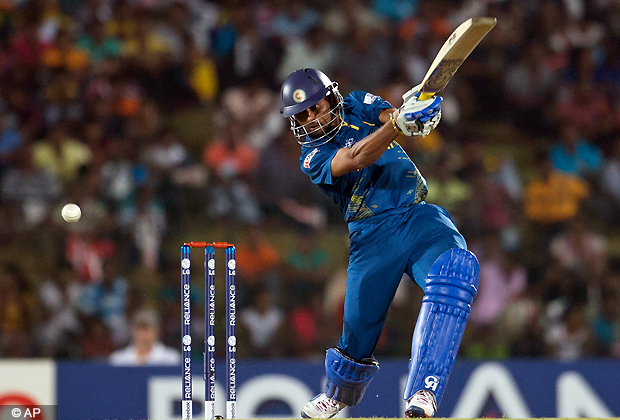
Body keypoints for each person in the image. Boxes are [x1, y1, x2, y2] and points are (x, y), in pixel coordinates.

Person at [279, 68, 480, 418]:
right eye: (302, 115)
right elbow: (357, 157)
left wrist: (415, 114)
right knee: (358, 334)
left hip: (418, 218)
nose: (311, 118)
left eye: (316, 107)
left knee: (455, 271)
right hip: (371, 237)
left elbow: (390, 115)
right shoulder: (311, 157)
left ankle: (423, 392)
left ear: (332, 97)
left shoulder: (356, 103)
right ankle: (338, 393)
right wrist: (398, 126)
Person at [108, 309, 181, 366]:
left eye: (147, 329)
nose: (144, 334)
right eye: (140, 329)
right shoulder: (118, 359)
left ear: (157, 330)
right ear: (132, 330)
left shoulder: (171, 358)